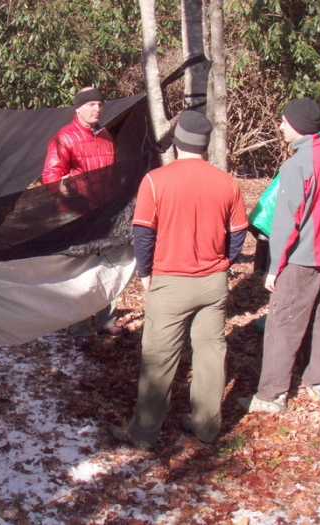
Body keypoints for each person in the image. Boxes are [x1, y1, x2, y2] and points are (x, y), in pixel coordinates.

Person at [108, 110, 248, 449]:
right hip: (214, 282)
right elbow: (238, 234)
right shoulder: (227, 182)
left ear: (178, 141)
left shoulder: (156, 180)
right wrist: (223, 262)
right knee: (211, 352)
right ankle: (207, 427)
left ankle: (143, 433)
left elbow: (142, 234)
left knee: (159, 357)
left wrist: (145, 273)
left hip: (170, 282)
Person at [238, 97, 320, 414]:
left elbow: (287, 221)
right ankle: (318, 381)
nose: (281, 126)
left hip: (299, 257)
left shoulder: (296, 165)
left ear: (297, 125)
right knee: (318, 316)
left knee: (282, 323)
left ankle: (271, 395)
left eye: (284, 121)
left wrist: (275, 266)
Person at [41, 86, 125, 349]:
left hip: (105, 213)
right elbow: (50, 175)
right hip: (76, 215)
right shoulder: (63, 137)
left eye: (100, 104)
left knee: (107, 267)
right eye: (91, 105)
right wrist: (61, 187)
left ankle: (105, 321)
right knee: (82, 271)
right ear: (78, 108)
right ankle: (79, 328)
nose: (97, 109)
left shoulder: (107, 136)